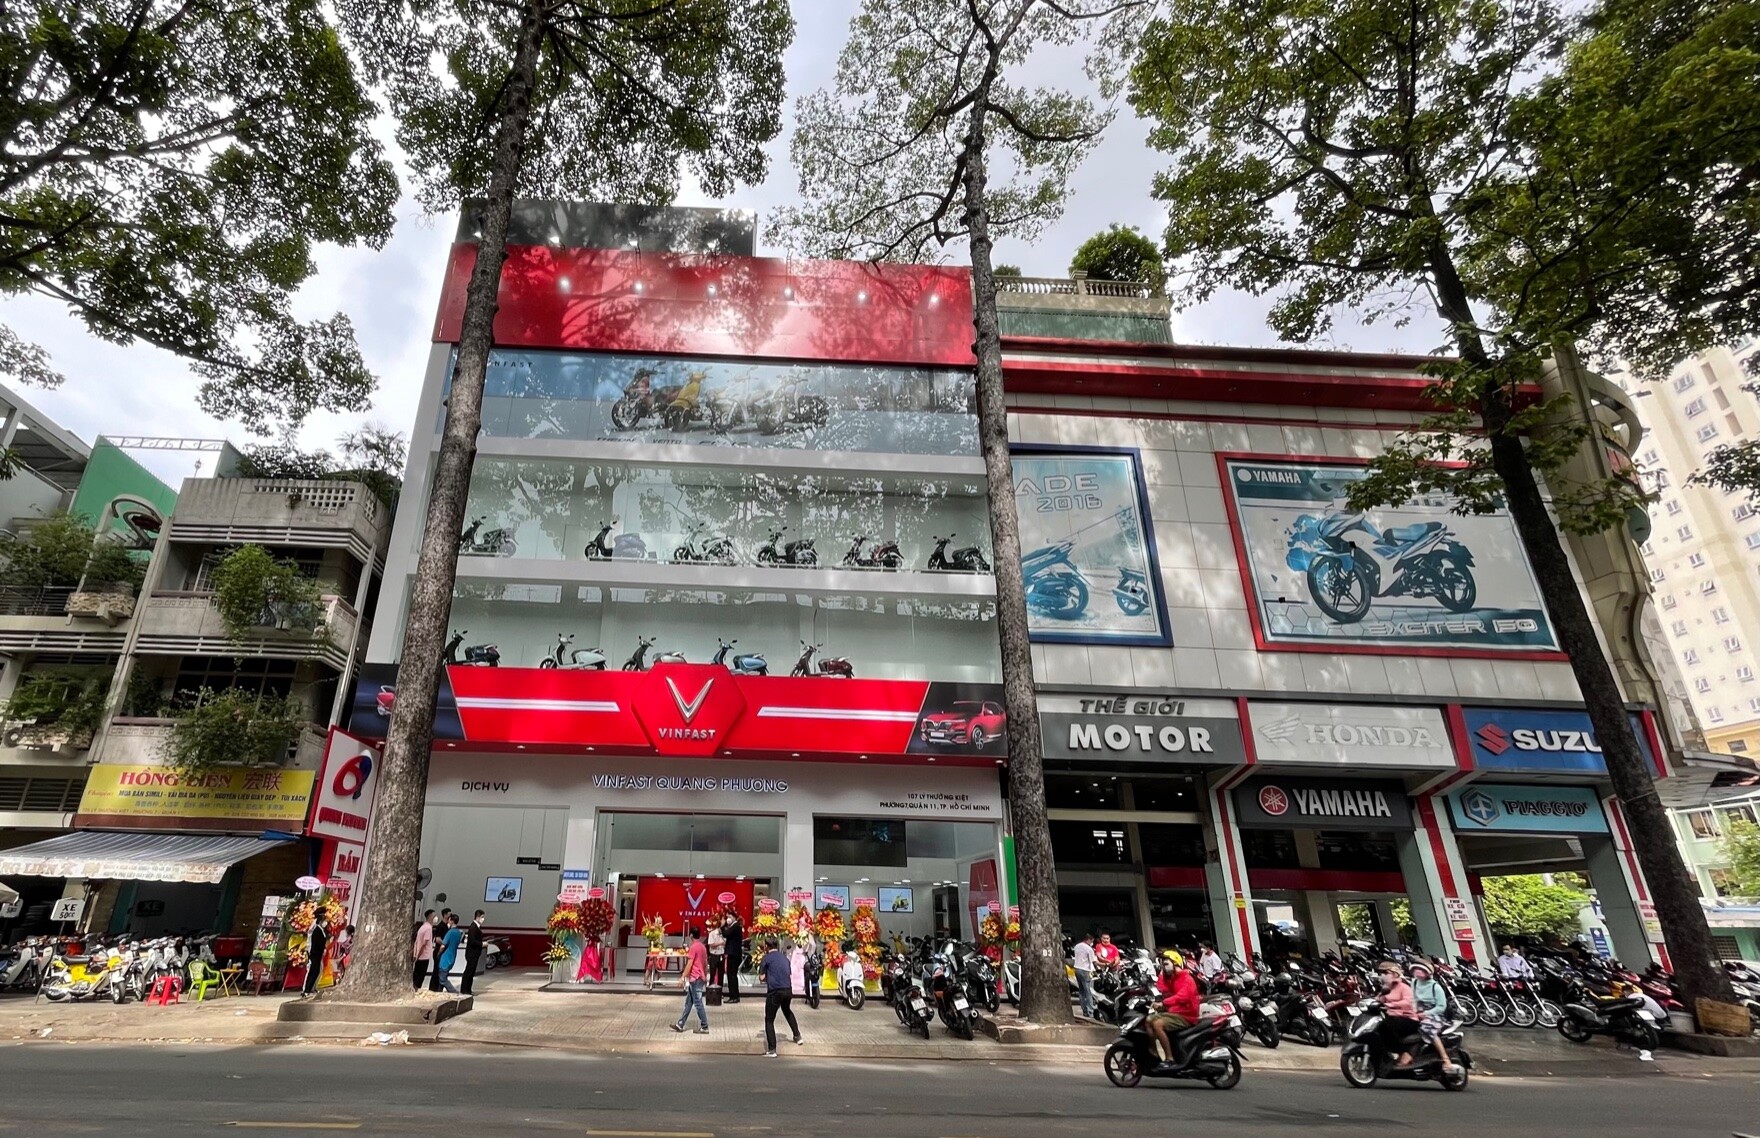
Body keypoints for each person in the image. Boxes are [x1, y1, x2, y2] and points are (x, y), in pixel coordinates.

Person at [1147, 951, 1200, 1070]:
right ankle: (1154, 1054)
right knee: (1148, 1020)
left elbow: (1182, 996)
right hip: (1175, 1013)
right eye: (1163, 965)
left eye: (1166, 964)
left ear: (1175, 963)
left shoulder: (1186, 978)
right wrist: (1162, 975)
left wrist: (1163, 1003)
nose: (1164, 967)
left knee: (1158, 1024)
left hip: (1186, 1015)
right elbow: (1162, 988)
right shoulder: (1172, 978)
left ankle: (1169, 1059)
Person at [1406, 962, 1459, 1073]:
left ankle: (1445, 1058)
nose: (1418, 972)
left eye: (1421, 970)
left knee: (1427, 1028)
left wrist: (1426, 1014)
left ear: (1427, 973)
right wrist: (1414, 1011)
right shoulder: (1414, 982)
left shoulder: (1436, 987)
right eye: (1416, 969)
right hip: (1418, 1012)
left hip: (1435, 1014)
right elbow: (1413, 999)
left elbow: (1441, 1007)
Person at [758, 936, 802, 1057]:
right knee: (787, 1011)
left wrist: (768, 976)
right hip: (788, 989)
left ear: (766, 946)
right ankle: (797, 1036)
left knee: (769, 1019)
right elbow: (788, 973)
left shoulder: (766, 958)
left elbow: (761, 978)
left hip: (775, 991)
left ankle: (772, 1049)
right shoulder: (784, 958)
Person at [1374, 962, 1420, 1059]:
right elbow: (1379, 1000)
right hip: (1393, 1017)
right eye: (1381, 973)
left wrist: (1391, 1005)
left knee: (1385, 1026)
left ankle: (1403, 1053)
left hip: (1408, 1018)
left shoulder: (1404, 987)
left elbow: (1408, 1002)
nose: (1382, 976)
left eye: (1385, 973)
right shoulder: (1387, 989)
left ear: (1394, 974)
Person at [670, 926, 711, 1034]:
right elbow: (705, 963)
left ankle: (704, 1026)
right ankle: (680, 1024)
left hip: (695, 978)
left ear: (691, 935)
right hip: (700, 977)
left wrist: (683, 976)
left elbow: (689, 963)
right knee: (689, 1002)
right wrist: (705, 976)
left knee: (698, 1003)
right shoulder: (703, 947)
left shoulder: (693, 947)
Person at [435, 914, 463, 994]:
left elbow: (443, 945)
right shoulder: (458, 932)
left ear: (451, 921)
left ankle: (453, 992)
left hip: (445, 958)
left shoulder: (450, 932)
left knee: (443, 979)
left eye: (449, 920)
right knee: (441, 978)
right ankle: (439, 992)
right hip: (452, 956)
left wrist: (438, 953)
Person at [1071, 932, 1098, 1019]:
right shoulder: (1089, 949)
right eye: (1092, 941)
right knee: (1088, 991)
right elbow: (1094, 961)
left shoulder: (1077, 946)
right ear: (1089, 940)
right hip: (1085, 970)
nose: (1092, 943)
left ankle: (1084, 1010)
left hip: (1077, 969)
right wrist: (1103, 965)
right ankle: (1090, 1011)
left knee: (1081, 991)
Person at [303, 918, 331, 996]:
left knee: (317, 971)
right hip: (315, 954)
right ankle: (307, 990)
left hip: (318, 955)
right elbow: (316, 943)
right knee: (313, 971)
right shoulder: (316, 930)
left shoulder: (321, 930)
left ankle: (312, 988)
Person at [722, 910, 745, 1004]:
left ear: (734, 918)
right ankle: (733, 995)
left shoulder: (736, 926)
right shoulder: (733, 926)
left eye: (729, 917)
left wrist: (722, 926)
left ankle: (734, 996)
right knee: (731, 975)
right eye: (727, 917)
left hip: (734, 954)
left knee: (732, 975)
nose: (728, 919)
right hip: (732, 953)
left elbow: (725, 934)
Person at [461, 911, 486, 995]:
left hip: (475, 953)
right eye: (482, 917)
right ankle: (465, 990)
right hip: (472, 953)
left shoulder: (477, 927)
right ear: (477, 917)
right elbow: (472, 941)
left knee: (471, 972)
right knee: (469, 972)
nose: (483, 919)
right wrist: (482, 944)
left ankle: (468, 989)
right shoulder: (473, 927)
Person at [412, 911, 435, 989]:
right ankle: (417, 990)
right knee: (420, 976)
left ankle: (415, 988)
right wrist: (418, 954)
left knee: (416, 975)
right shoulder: (428, 928)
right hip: (424, 956)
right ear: (430, 916)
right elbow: (424, 943)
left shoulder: (423, 927)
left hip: (420, 956)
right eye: (434, 915)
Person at [429, 911, 450, 992]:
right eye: (449, 914)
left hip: (442, 952)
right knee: (436, 971)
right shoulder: (441, 926)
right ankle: (433, 988)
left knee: (440, 971)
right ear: (445, 915)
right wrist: (445, 943)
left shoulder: (446, 926)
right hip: (438, 951)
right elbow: (437, 939)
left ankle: (437, 988)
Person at [707, 920, 727, 992]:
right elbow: (711, 944)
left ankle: (720, 991)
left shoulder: (724, 935)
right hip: (714, 955)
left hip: (721, 955)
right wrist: (720, 943)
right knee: (712, 973)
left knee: (721, 974)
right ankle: (710, 990)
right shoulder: (712, 934)